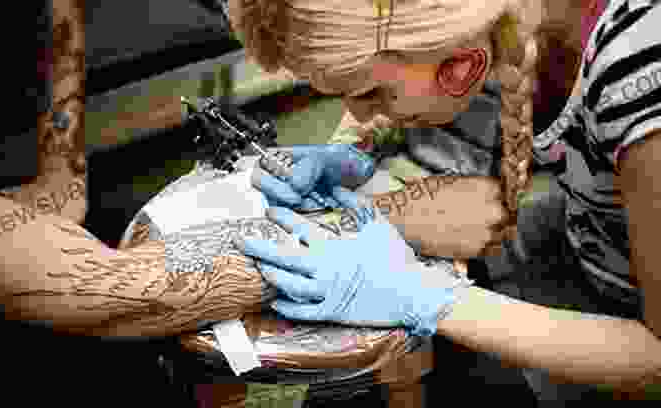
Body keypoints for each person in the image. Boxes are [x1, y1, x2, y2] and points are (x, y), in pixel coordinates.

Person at [227, 0, 661, 399]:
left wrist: (428, 298)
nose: (358, 113)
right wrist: (356, 152)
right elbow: (466, 196)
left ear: (455, 52)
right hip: (588, 254)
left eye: (369, 93)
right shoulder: (497, 24)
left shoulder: (639, 58)